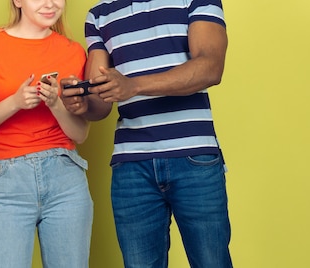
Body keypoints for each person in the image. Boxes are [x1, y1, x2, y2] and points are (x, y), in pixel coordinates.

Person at [60, 0, 232, 267]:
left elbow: (211, 67)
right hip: (131, 166)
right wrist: (81, 103)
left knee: (212, 262)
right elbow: (100, 102)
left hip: (194, 158)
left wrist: (134, 85)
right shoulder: (99, 14)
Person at [0, 0, 93, 267]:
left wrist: (55, 104)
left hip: (65, 179)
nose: (50, 4)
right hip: (6, 182)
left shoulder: (74, 52)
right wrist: (14, 102)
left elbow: (80, 134)